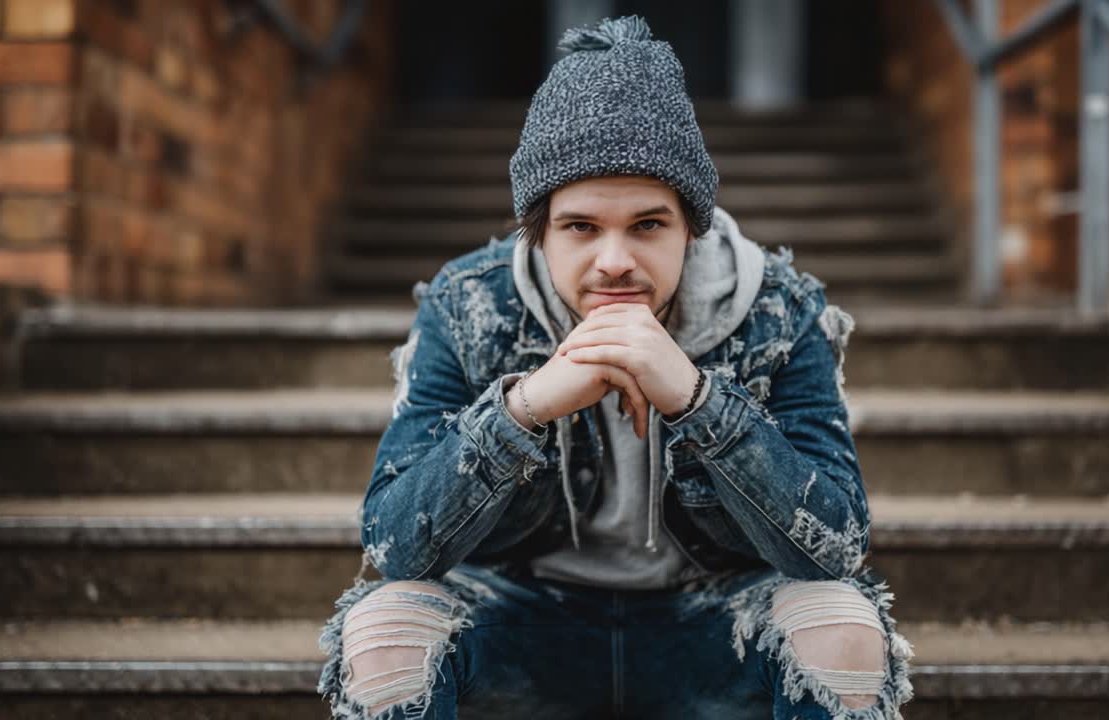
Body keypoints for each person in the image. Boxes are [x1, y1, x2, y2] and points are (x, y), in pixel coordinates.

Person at [318, 15, 912, 720]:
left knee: (840, 626)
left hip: (715, 627)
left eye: (648, 225)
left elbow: (836, 544)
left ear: (692, 225)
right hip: (528, 627)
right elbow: (397, 542)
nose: (614, 261)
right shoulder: (471, 306)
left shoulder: (777, 310)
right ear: (537, 233)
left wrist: (699, 402)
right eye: (580, 227)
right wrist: (523, 409)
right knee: (385, 631)